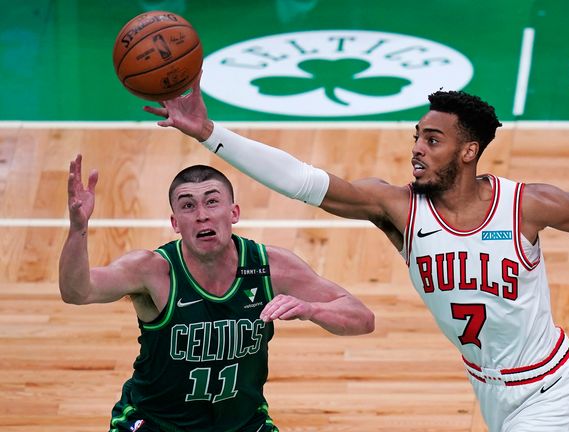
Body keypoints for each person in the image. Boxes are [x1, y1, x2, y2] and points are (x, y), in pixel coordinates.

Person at [145, 78, 569, 432]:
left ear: (468, 153)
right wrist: (209, 134)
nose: (417, 149)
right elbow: (306, 181)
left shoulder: (528, 206)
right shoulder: (400, 210)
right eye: (416, 137)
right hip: (490, 393)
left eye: (432, 140)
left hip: (554, 391)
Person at [59, 155, 375, 432]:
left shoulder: (270, 267)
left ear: (233, 212)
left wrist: (311, 310)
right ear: (175, 223)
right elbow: (77, 291)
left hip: (241, 424)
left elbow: (363, 319)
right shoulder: (152, 270)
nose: (201, 214)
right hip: (155, 423)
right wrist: (78, 229)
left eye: (212, 201)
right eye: (187, 205)